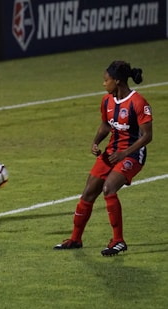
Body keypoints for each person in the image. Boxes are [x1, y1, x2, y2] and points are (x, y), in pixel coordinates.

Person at [54, 60, 153, 256]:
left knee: (109, 188)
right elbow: (106, 125)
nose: (103, 84)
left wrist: (124, 153)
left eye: (106, 80)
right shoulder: (107, 101)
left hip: (132, 154)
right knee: (88, 193)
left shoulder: (138, 102)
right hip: (111, 152)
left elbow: (147, 136)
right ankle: (75, 239)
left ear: (117, 81)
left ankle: (118, 241)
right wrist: (96, 142)